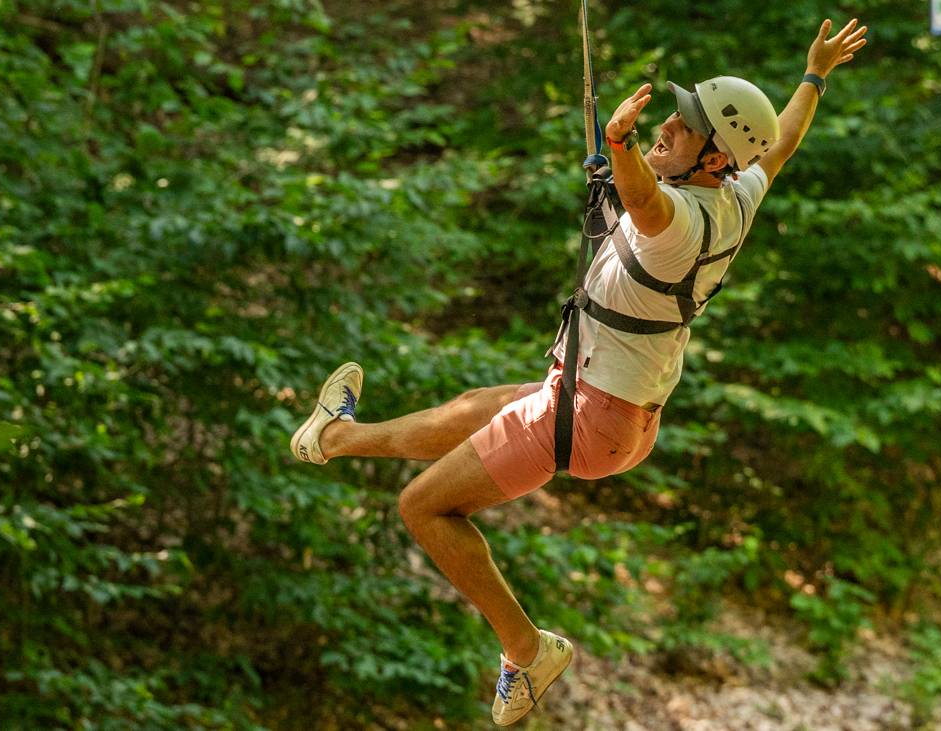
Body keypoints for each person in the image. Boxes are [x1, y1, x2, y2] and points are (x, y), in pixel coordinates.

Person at [288, 18, 869, 726]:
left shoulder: (680, 219)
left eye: (683, 128)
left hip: (589, 418)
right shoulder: (737, 195)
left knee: (421, 506)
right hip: (604, 410)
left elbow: (649, 206)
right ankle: (331, 438)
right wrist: (814, 74)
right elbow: (782, 139)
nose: (668, 126)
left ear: (713, 159)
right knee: (475, 404)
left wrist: (621, 147)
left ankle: (525, 649)